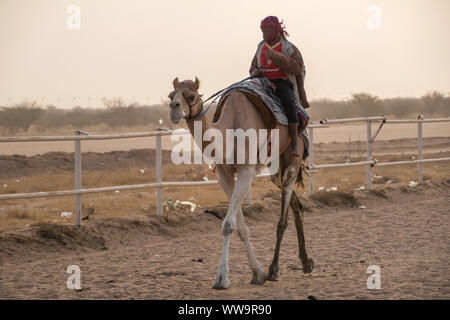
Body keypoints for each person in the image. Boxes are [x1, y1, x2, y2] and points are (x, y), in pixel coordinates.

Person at [249, 16, 310, 157]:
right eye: (262, 32)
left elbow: (298, 68)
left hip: (281, 83)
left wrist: (277, 57)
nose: (264, 35)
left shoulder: (289, 48)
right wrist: (255, 72)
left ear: (275, 30)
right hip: (262, 83)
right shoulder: (260, 47)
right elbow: (252, 67)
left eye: (267, 32)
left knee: (289, 103)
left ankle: (294, 143)